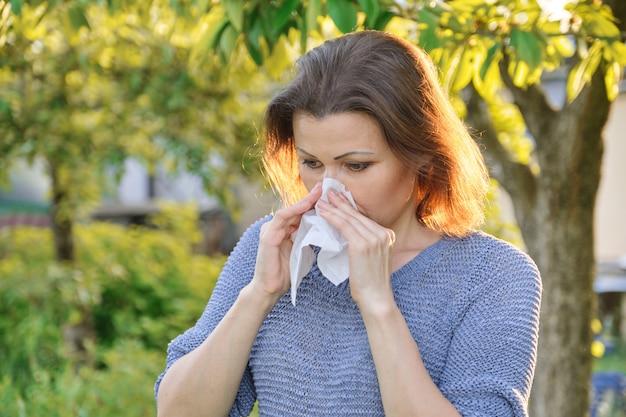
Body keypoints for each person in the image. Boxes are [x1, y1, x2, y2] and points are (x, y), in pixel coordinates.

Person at [154, 30, 542, 417]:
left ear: (422, 155)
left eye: (356, 166)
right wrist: (259, 294)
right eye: (311, 163)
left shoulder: (494, 275)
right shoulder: (272, 246)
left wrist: (378, 304)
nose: (328, 192)